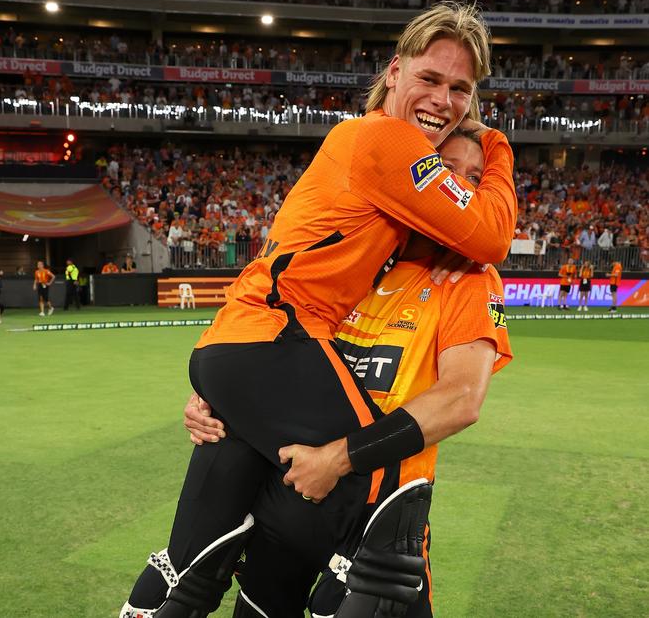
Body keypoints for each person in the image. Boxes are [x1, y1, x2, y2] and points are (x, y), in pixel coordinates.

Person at [121, 2, 517, 618]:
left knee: (203, 552)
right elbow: (490, 233)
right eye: (430, 79)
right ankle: (343, 587)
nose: (443, 98)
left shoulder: (401, 251)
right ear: (393, 72)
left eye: (460, 88)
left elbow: (463, 393)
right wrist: (494, 145)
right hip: (273, 342)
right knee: (382, 487)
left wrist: (230, 398)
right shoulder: (384, 141)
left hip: (259, 353)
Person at [183, 130, 514, 617]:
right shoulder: (358, 259)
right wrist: (214, 402)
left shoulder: (468, 278)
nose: (460, 191)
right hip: (286, 501)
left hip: (375, 523)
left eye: (474, 179)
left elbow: (462, 399)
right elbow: (275, 353)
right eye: (447, 171)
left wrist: (337, 460)